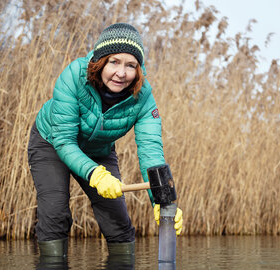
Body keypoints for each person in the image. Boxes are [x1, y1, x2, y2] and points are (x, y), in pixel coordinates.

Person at [27, 23, 183, 260]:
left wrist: (162, 202)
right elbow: (64, 141)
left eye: (131, 65)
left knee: (119, 224)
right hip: (52, 142)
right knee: (55, 214)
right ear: (100, 61)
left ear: (139, 69)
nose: (122, 73)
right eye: (114, 62)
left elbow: (151, 152)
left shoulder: (143, 98)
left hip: (98, 151)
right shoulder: (73, 77)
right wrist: (95, 174)